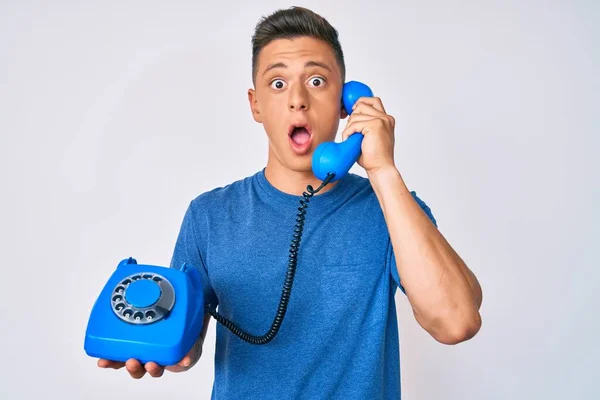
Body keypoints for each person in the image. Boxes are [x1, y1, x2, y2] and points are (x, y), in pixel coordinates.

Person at [98, 6, 483, 398]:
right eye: (278, 84)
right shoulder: (209, 216)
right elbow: (188, 343)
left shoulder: (393, 209)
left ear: (346, 103)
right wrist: (163, 350)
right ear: (256, 105)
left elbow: (456, 322)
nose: (298, 100)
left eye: (317, 81)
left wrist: (383, 171)